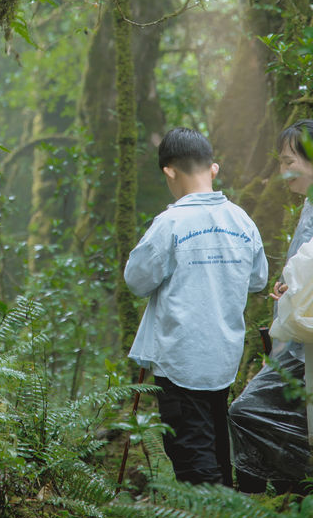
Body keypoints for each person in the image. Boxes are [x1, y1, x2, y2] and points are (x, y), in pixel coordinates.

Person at [124, 127, 268, 485]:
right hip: (224, 356)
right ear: (213, 169)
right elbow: (258, 280)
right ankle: (227, 511)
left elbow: (136, 280)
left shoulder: (170, 223)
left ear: (169, 171)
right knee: (217, 442)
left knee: (191, 452)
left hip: (181, 358)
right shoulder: (242, 221)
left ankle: (211, 514)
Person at [229, 118, 313, 493]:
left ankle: (270, 502)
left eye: (288, 161)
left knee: (246, 412)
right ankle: (290, 496)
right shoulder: (308, 205)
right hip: (295, 343)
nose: (283, 171)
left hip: (303, 345)